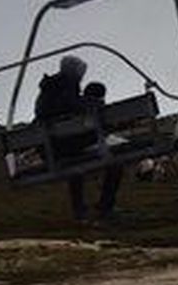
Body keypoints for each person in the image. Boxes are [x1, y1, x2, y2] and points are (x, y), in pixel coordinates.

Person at [32, 56, 123, 223]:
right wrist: (94, 105)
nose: (82, 75)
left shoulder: (47, 90)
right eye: (81, 71)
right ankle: (105, 206)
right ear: (73, 71)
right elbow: (74, 108)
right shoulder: (68, 87)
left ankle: (79, 210)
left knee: (76, 168)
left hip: (50, 148)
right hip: (65, 147)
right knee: (115, 161)